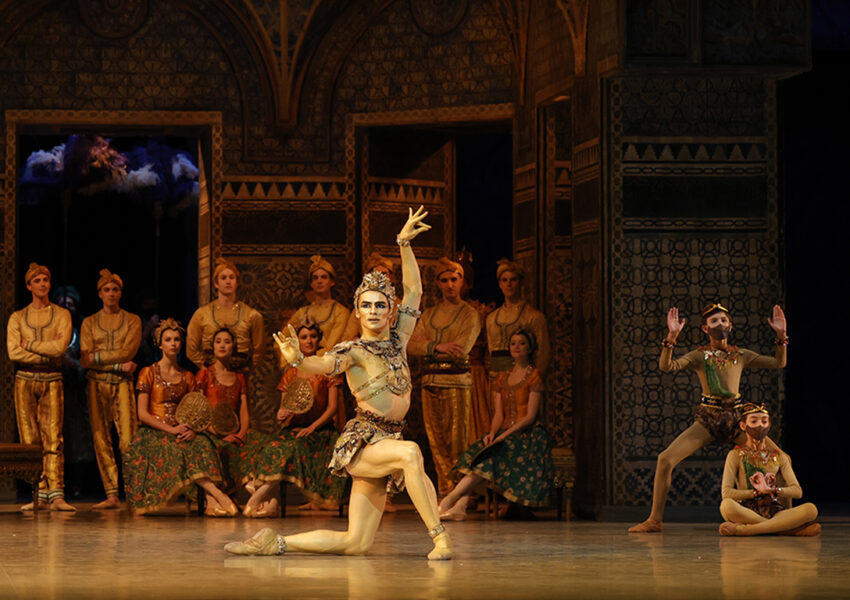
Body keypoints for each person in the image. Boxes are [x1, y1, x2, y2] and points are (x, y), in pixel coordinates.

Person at [225, 206, 452, 560]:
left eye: (381, 305)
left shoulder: (398, 341)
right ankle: (440, 540)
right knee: (411, 454)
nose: (374, 311)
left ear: (390, 311)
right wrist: (299, 359)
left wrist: (404, 244)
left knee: (356, 542)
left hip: (389, 441)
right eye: (367, 305)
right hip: (364, 444)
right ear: (357, 311)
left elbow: (414, 292)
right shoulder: (353, 351)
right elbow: (323, 363)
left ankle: (276, 542)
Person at [629, 303, 788, 533]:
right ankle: (655, 520)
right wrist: (671, 337)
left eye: (723, 320)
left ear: (730, 326)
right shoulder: (700, 355)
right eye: (714, 321)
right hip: (709, 419)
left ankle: (786, 520)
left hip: (737, 420)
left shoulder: (741, 355)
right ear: (705, 329)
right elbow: (667, 366)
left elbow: (779, 363)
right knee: (665, 460)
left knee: (782, 459)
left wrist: (781, 336)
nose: (720, 324)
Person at [234, 317, 348, 516]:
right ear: (297, 342)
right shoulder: (290, 374)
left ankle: (258, 496)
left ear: (318, 339)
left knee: (293, 447)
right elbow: (283, 409)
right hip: (295, 429)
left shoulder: (328, 369)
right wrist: (280, 414)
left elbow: (332, 408)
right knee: (270, 445)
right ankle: (270, 500)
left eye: (313, 336)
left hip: (320, 431)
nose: (309, 341)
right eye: (304, 337)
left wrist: (312, 427)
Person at [122, 319, 235, 516]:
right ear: (160, 345)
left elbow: (196, 409)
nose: (173, 343)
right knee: (177, 448)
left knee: (203, 444)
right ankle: (218, 495)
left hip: (182, 429)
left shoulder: (187, 376)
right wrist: (171, 429)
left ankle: (210, 501)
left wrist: (192, 429)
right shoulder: (148, 372)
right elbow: (142, 414)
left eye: (176, 339)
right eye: (168, 340)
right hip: (155, 432)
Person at [438, 328, 553, 519]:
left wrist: (503, 436)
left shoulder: (534, 376)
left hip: (529, 435)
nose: (517, 347)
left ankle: (448, 501)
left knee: (490, 458)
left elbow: (530, 417)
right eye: (513, 343)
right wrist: (492, 433)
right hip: (505, 433)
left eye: (522, 343)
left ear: (530, 348)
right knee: (477, 455)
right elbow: (499, 414)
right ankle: (460, 506)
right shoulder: (503, 377)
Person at [408, 256, 481, 497]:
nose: (450, 285)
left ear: (462, 281)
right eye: (445, 280)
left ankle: (459, 494)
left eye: (454, 279)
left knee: (457, 440)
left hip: (456, 382)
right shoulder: (429, 314)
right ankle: (445, 491)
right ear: (438, 283)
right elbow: (411, 345)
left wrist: (427, 345)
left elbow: (462, 349)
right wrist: (436, 347)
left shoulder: (470, 314)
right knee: (436, 441)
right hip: (430, 381)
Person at [6, 263, 75, 511]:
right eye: (37, 280)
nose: (42, 284)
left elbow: (60, 349)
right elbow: (13, 352)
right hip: (25, 379)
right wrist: (46, 349)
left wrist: (29, 344)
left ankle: (56, 494)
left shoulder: (62, 315)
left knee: (53, 436)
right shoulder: (17, 317)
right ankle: (38, 494)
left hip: (51, 378)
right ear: (29, 286)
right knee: (30, 439)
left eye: (46, 279)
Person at [80, 269, 142, 509]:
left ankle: (134, 492)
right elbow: (85, 359)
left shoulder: (132, 320)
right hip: (96, 383)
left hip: (122, 384)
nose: (111, 293)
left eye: (115, 289)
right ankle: (111, 493)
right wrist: (117, 364)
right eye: (106, 290)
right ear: (100, 293)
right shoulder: (89, 322)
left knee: (128, 439)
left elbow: (128, 351)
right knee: (101, 438)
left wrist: (98, 357)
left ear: (121, 293)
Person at [718, 403, 819, 536]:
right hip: (747, 510)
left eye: (764, 421)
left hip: (774, 510)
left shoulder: (779, 457)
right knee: (726, 506)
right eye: (754, 421)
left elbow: (797, 491)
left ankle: (747, 530)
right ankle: (787, 529)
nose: (760, 425)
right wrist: (756, 493)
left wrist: (774, 490)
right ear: (743, 426)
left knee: (811, 509)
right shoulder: (735, 455)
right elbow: (726, 493)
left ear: (769, 425)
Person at [193, 327, 250, 513]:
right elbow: (199, 408)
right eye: (218, 341)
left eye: (227, 341)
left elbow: (244, 409)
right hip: (209, 431)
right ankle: (214, 497)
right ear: (212, 347)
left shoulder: (240, 377)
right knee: (208, 446)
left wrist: (242, 433)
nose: (222, 345)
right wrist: (216, 433)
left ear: (233, 347)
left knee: (258, 441)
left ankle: (257, 493)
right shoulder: (204, 374)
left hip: (234, 431)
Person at [186, 258, 265, 372]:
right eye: (223, 278)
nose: (228, 281)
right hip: (211, 374)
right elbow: (191, 349)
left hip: (240, 373)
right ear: (216, 283)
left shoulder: (252, 315)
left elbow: (259, 350)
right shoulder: (202, 314)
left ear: (237, 282)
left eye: (231, 278)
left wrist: (247, 369)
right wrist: (206, 369)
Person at [485, 259, 550, 378]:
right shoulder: (491, 318)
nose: (508, 284)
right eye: (504, 280)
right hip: (496, 377)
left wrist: (534, 379)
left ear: (520, 283)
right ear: (499, 284)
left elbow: (543, 353)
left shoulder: (533, 317)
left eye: (513, 280)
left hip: (522, 377)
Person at [285, 255, 350, 355]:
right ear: (311, 283)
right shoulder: (302, 312)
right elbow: (283, 339)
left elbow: (332, 347)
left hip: (327, 362)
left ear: (332, 282)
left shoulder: (340, 312)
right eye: (315, 278)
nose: (319, 281)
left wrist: (309, 361)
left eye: (324, 277)